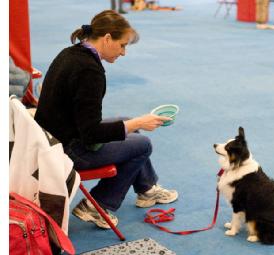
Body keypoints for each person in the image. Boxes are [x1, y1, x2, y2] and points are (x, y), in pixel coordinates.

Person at [34, 10, 178, 229]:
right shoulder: (90, 71)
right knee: (142, 143)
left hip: (50, 140)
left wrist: (132, 124)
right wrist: (139, 122)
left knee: (127, 124)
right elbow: (91, 134)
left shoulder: (70, 53)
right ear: (107, 38)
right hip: (67, 150)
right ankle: (98, 205)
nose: (124, 52)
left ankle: (147, 189)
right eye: (122, 45)